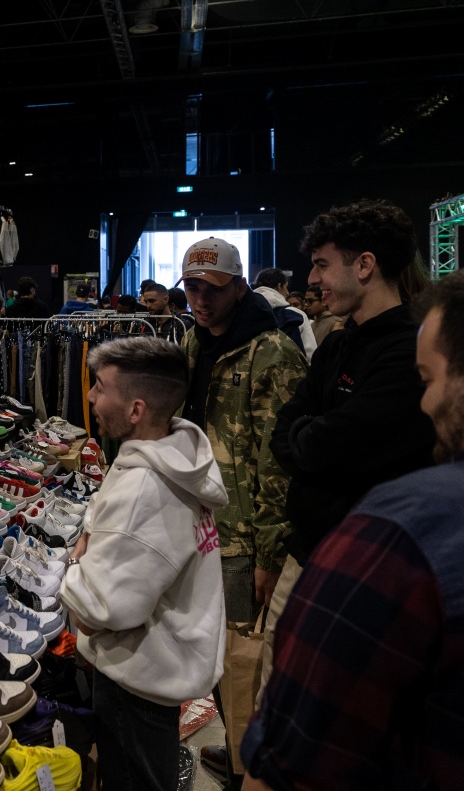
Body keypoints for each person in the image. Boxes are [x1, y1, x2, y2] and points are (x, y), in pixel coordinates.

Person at [241, 270, 464, 791]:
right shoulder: (336, 345)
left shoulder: (404, 532)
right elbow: (296, 428)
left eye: (428, 380)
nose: (424, 405)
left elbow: (297, 756)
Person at [61, 338, 228, 791]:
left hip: (135, 681)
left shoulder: (145, 492)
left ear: (135, 410)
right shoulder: (177, 454)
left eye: (99, 386)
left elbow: (95, 614)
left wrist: (73, 567)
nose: (91, 397)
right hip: (160, 668)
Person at [266, 200, 436, 634]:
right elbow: (284, 432)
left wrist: (311, 439)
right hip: (307, 554)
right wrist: (313, 438)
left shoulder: (408, 352)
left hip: (369, 568)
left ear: (364, 265)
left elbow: (328, 446)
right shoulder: (337, 346)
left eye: (322, 264)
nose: (312, 279)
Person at [180, 237, 306, 787]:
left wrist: (269, 552)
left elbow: (279, 462)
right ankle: (235, 751)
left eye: (211, 289)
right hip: (202, 523)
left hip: (243, 533)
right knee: (214, 654)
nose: (200, 299)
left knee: (243, 660)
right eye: (191, 288)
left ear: (238, 287)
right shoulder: (193, 342)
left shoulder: (271, 352)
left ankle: (245, 767)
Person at [253, 267, 316, 359]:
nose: (287, 292)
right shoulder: (296, 315)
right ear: (279, 286)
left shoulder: (242, 313)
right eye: (286, 287)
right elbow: (310, 354)